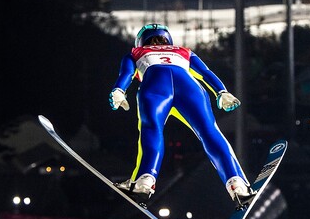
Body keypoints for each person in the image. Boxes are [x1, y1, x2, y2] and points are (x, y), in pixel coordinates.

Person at [108, 23, 255, 209]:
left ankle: (145, 179)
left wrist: (118, 90)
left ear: (141, 40)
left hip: (155, 88)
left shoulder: (136, 52)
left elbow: (127, 73)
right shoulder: (184, 51)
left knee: (151, 129)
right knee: (210, 133)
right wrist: (222, 92)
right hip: (190, 89)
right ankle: (237, 184)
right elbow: (205, 73)